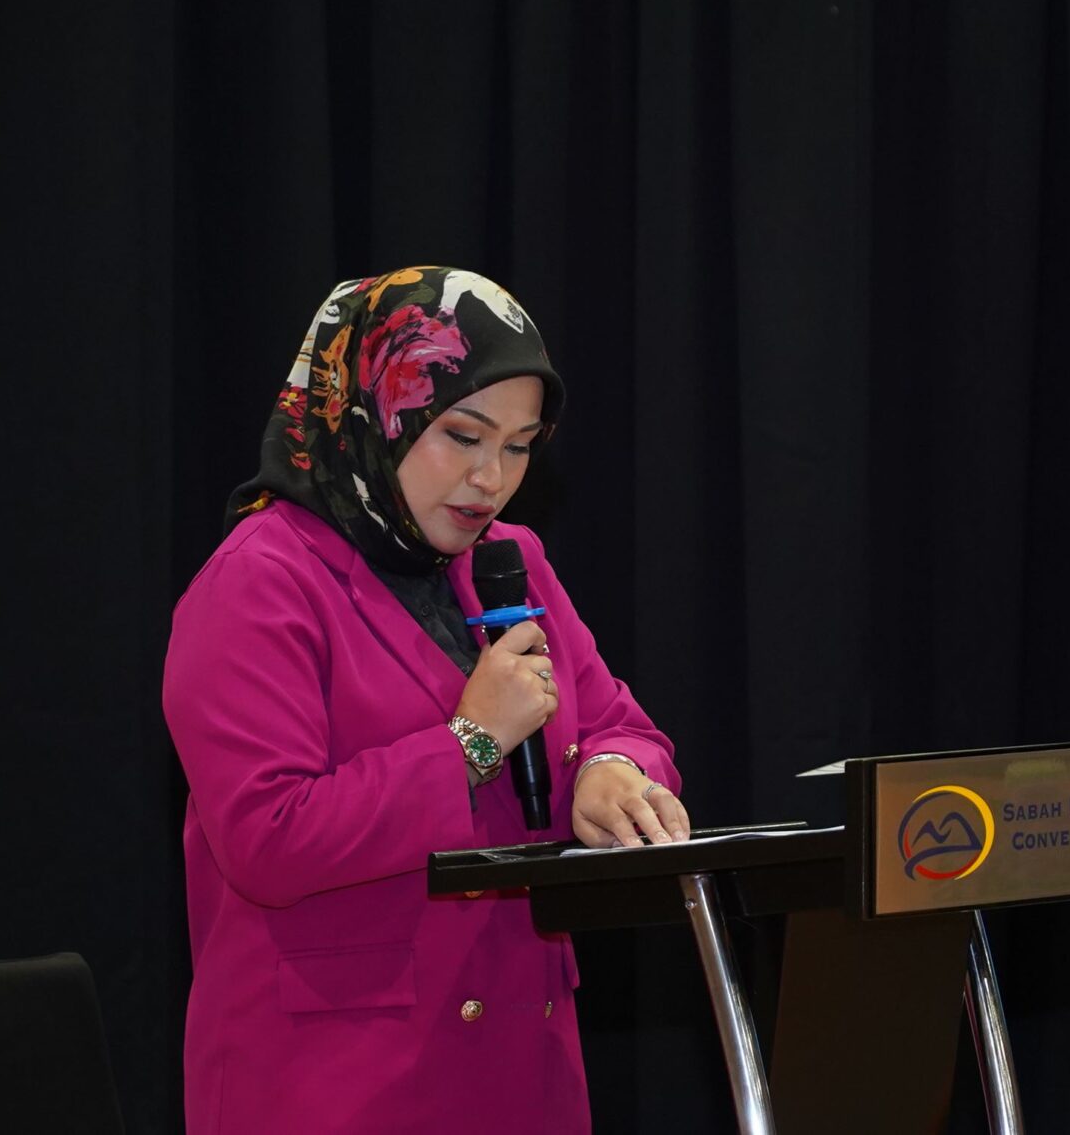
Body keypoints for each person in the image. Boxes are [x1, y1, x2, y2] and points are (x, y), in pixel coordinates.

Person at [163, 266, 690, 1133]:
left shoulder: (512, 560)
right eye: (463, 435)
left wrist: (611, 770)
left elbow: (622, 726)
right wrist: (470, 742)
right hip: (337, 1085)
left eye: (519, 446)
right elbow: (268, 837)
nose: (491, 477)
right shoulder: (257, 581)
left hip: (523, 1075)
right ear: (373, 411)